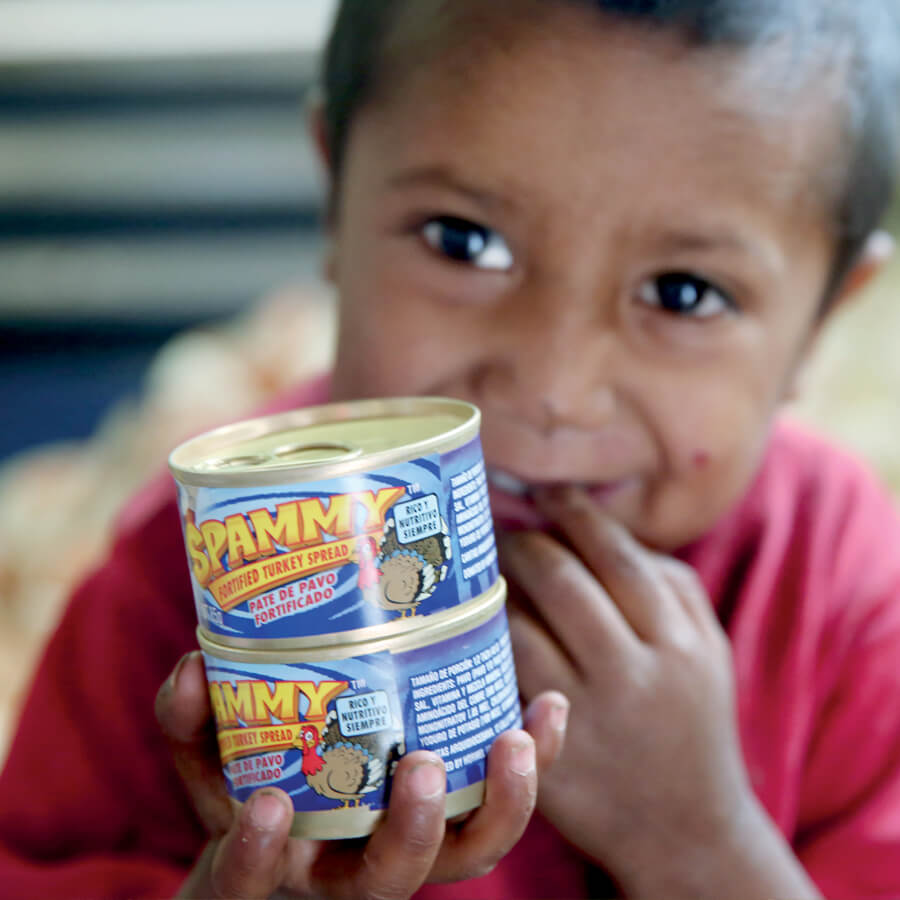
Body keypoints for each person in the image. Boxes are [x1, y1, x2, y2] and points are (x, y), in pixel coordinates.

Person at [2, 0, 900, 896]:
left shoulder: (841, 582)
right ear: (334, 199)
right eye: (464, 242)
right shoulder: (209, 570)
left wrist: (701, 844)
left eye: (685, 293)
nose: (553, 387)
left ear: (819, 325)